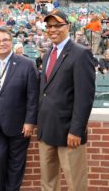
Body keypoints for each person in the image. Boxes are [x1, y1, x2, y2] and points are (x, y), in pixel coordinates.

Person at [37, 10, 95, 191]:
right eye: (49, 26)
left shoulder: (81, 54)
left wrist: (76, 130)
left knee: (75, 184)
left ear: (68, 27)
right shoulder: (47, 55)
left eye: (57, 25)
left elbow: (84, 97)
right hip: (46, 130)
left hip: (69, 133)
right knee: (48, 183)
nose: (52, 29)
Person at [0, 27, 39, 191]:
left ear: (11, 41)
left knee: (16, 164)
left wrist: (29, 121)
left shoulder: (27, 64)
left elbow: (33, 96)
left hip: (20, 126)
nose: (2, 44)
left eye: (5, 40)